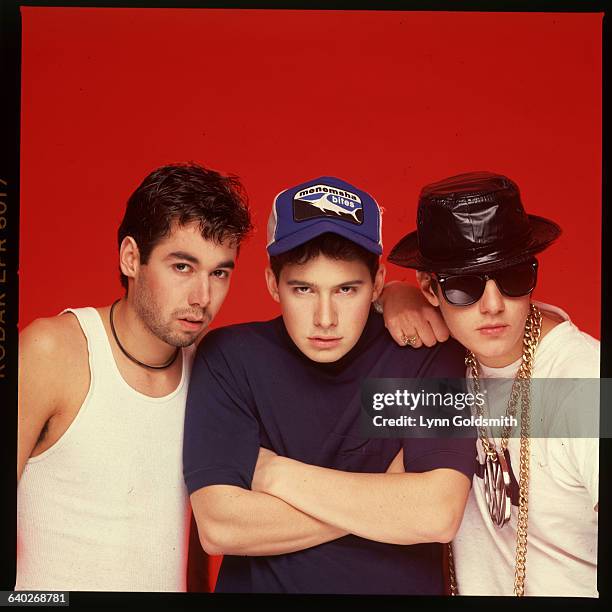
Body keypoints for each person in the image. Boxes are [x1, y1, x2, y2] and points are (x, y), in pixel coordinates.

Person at [183, 176, 476, 594]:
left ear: (377, 284)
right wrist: (386, 500)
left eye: (346, 289)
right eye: (303, 289)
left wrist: (275, 474)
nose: (325, 318)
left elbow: (436, 514)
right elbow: (220, 527)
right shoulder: (231, 357)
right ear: (272, 284)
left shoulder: (424, 352)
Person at [16, 163, 252, 592]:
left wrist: (396, 298)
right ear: (130, 257)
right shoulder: (53, 351)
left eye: (219, 272)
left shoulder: (211, 371)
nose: (202, 298)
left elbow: (198, 529)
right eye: (182, 266)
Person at [380, 170, 599, 596]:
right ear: (429, 287)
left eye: (515, 276)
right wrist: (390, 293)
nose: (494, 305)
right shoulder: (444, 358)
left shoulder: (583, 383)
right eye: (464, 285)